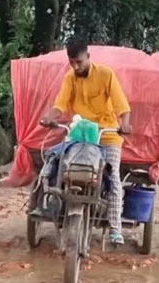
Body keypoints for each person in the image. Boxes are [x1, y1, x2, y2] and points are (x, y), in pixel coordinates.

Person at [41, 40, 132, 246]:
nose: (75, 67)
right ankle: (56, 202)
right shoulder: (70, 78)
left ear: (88, 57)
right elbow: (60, 105)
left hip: (106, 136)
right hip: (80, 135)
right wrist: (49, 117)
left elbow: (122, 106)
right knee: (58, 163)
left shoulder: (106, 74)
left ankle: (116, 228)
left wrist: (125, 123)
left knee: (113, 176)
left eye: (79, 62)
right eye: (71, 62)